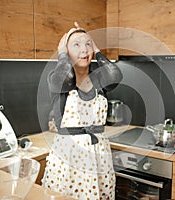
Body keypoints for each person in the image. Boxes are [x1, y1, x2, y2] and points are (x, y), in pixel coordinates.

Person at [42, 22, 123, 200]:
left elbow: (115, 75)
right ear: (65, 50)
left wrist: (97, 50)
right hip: (68, 154)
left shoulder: (100, 77)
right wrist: (62, 54)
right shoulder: (56, 78)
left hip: (98, 154)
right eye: (76, 45)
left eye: (88, 44)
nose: (84, 49)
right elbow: (66, 76)